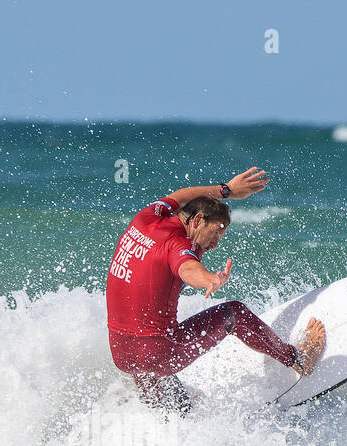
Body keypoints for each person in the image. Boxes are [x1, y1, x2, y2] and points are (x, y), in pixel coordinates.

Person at [105, 166, 325, 414]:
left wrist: (226, 190)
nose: (215, 243)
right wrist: (209, 279)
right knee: (235, 313)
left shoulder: (147, 218)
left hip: (122, 353)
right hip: (159, 352)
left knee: (166, 398)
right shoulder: (177, 244)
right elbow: (187, 267)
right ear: (198, 220)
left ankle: (171, 423)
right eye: (216, 232)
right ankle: (298, 359)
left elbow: (181, 195)